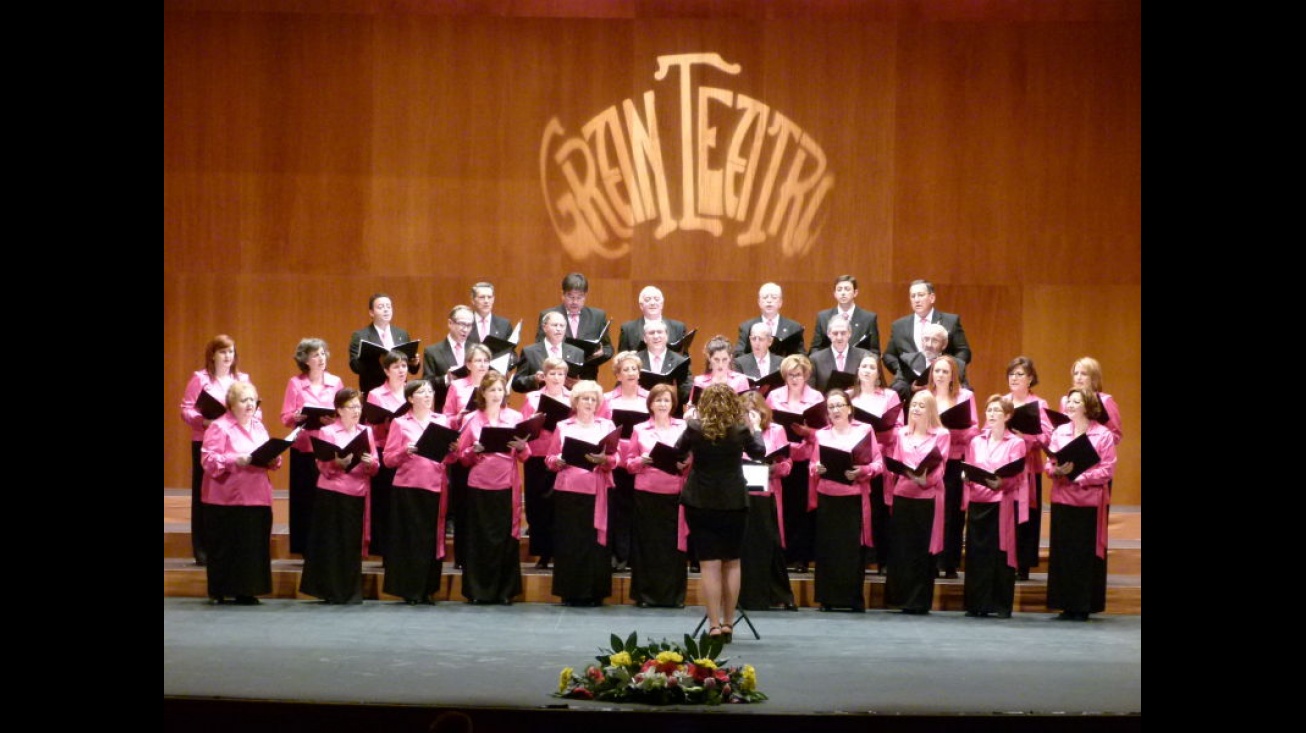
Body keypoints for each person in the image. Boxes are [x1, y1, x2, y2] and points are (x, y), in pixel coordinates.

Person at [675, 383, 767, 642]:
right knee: (732, 562)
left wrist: (688, 422)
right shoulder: (739, 430)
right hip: (733, 502)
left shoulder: (695, 428)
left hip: (700, 502)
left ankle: (713, 625)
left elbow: (677, 451)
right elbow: (759, 452)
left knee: (709, 564)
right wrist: (756, 427)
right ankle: (729, 623)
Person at [199, 381, 279, 605]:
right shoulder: (219, 427)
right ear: (231, 404)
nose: (249, 404)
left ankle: (247, 590)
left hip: (257, 495)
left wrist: (274, 458)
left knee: (252, 545)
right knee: (226, 545)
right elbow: (208, 460)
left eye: (252, 400)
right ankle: (221, 590)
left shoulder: (258, 426)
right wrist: (236, 459)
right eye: (244, 400)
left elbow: (269, 454)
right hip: (226, 497)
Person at [454, 371, 530, 604]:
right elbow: (461, 456)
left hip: (506, 485)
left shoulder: (515, 418)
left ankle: (504, 591)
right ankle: (478, 591)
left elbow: (526, 456)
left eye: (500, 389)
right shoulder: (473, 420)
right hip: (479, 486)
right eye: (492, 390)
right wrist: (473, 451)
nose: (497, 394)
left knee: (505, 539)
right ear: (483, 394)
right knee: (480, 539)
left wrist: (521, 446)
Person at [299, 388, 380, 605]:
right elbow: (322, 464)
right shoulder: (328, 432)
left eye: (358, 406)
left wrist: (369, 463)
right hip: (332, 493)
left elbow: (375, 465)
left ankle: (350, 591)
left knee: (350, 544)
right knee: (332, 543)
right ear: (339, 410)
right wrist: (337, 463)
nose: (356, 411)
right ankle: (332, 590)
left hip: (357, 492)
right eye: (351, 407)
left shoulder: (366, 432)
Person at [382, 380, 458, 605]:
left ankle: (427, 589)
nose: (427, 396)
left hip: (436, 486)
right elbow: (388, 459)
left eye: (430, 392)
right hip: (408, 488)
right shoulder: (400, 423)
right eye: (421, 392)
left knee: (430, 540)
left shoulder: (442, 421)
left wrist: (453, 450)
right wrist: (405, 451)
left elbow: (450, 458)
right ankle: (410, 589)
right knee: (410, 540)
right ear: (410, 398)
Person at [1045, 387, 1118, 621]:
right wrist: (1056, 469)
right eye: (1069, 401)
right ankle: (1064, 603)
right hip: (1063, 498)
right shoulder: (1060, 432)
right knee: (1064, 553)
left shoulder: (1103, 435)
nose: (1070, 405)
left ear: (1087, 405)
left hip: (1088, 501)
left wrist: (1080, 477)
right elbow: (1050, 463)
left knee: (1083, 555)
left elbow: (1107, 469)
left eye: (1076, 401)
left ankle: (1082, 605)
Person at [180, 334, 252, 566]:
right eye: (223, 351)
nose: (228, 356)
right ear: (213, 354)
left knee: (230, 494)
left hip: (235, 443)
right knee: (203, 494)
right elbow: (186, 409)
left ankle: (230, 546)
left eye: (231, 351)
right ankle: (203, 549)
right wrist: (204, 422)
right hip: (206, 441)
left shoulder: (242, 378)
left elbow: (254, 408)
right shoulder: (200, 379)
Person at [544, 380, 619, 606]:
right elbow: (549, 458)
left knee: (594, 544)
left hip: (596, 491)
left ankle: (594, 592)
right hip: (569, 491)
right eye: (584, 398)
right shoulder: (563, 426)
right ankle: (570, 591)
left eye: (593, 399)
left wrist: (604, 459)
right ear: (575, 402)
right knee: (570, 542)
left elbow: (617, 458)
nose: (589, 402)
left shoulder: (606, 426)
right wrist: (558, 460)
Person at [808, 389, 883, 612]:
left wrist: (861, 470)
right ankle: (827, 599)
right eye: (831, 407)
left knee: (851, 551)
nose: (836, 410)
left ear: (849, 408)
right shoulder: (821, 434)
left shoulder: (864, 430)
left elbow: (878, 464)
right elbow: (812, 465)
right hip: (828, 498)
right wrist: (817, 468)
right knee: (828, 549)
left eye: (840, 405)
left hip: (852, 498)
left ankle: (852, 599)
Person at [621, 383, 690, 608]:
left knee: (673, 546)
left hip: (674, 492)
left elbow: (691, 459)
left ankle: (674, 596)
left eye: (667, 400)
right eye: (658, 400)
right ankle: (645, 595)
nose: (662, 404)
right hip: (647, 492)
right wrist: (641, 461)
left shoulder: (683, 427)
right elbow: (628, 463)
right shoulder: (640, 429)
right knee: (647, 545)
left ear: (673, 404)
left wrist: (685, 463)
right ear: (650, 403)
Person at [960, 395, 1028, 618]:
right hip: (978, 502)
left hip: (1001, 503)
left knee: (999, 554)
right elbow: (971, 465)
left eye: (997, 410)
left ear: (1007, 416)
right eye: (988, 410)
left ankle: (999, 604)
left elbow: (1017, 476)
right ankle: (976, 603)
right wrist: (966, 475)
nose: (991, 414)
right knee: (977, 555)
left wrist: (1002, 482)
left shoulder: (1016, 443)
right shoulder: (976, 441)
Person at [885, 390, 951, 615]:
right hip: (903, 493)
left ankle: (918, 600)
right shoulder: (902, 434)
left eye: (921, 405)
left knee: (921, 550)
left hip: (927, 495)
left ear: (931, 409)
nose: (915, 409)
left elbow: (940, 465)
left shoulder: (941, 434)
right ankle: (901, 598)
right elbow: (896, 462)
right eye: (913, 405)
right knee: (902, 547)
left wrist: (925, 479)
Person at [279, 337, 343, 557]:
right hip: (304, 447)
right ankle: (304, 545)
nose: (321, 358)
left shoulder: (336, 382)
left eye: (323, 353)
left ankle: (325, 543)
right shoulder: (295, 383)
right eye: (316, 354)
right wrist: (297, 416)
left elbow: (341, 415)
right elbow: (285, 418)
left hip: (326, 446)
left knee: (326, 498)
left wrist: (332, 420)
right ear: (305, 360)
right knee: (304, 498)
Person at [736, 391, 796, 611]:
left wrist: (774, 468)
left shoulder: (776, 430)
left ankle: (775, 595)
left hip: (767, 495)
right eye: (746, 414)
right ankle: (744, 596)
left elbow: (787, 464)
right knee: (743, 546)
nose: (752, 418)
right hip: (741, 496)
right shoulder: (737, 432)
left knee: (768, 544)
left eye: (756, 413)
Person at [766, 354, 824, 573]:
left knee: (802, 509)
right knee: (783, 507)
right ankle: (783, 554)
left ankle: (801, 557)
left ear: (806, 375)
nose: (794, 379)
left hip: (805, 459)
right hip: (782, 457)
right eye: (790, 375)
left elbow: (825, 433)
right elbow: (767, 425)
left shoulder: (816, 397)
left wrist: (807, 432)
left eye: (798, 375)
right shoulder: (774, 396)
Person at [926, 355, 978, 579]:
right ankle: (934, 560)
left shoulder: (965, 396)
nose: (940, 375)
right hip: (933, 460)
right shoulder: (926, 397)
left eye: (945, 371)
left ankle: (950, 562)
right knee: (935, 511)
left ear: (952, 376)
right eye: (937, 371)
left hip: (956, 459)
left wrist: (952, 433)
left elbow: (974, 429)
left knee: (954, 511)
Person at [441, 342, 493, 569]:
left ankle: (482, 555)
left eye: (485, 360)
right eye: (477, 361)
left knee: (483, 506)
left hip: (488, 451)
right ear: (468, 364)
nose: (482, 365)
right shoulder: (457, 386)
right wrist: (459, 416)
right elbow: (445, 418)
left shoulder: (495, 385)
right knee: (463, 503)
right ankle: (462, 556)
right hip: (464, 448)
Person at [849, 353, 901, 575]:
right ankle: (861, 557)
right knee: (858, 509)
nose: (867, 370)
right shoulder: (849, 396)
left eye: (872, 367)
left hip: (881, 457)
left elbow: (899, 428)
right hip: (856, 458)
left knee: (881, 508)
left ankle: (883, 559)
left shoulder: (889, 396)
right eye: (864, 366)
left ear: (879, 374)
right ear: (858, 371)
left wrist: (882, 433)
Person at [518, 356, 573, 569]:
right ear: (544, 376)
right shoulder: (532, 398)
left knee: (559, 505)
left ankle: (559, 551)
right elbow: (524, 429)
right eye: (552, 374)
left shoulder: (572, 398)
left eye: (561, 374)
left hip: (561, 456)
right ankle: (542, 553)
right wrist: (536, 419)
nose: (557, 378)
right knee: (537, 505)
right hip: (537, 454)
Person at [1003, 356, 1053, 581]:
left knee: (1027, 515)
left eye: (1020, 374)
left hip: (1029, 468)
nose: (1014, 378)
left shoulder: (1039, 404)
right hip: (1005, 466)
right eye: (1012, 374)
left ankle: (1023, 563)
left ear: (1030, 379)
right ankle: (1006, 559)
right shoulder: (1003, 402)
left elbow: (1049, 436)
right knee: (1007, 514)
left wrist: (1026, 438)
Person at [598, 351, 649, 572]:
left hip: (641, 462)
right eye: (626, 369)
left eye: (634, 369)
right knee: (616, 509)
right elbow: (601, 427)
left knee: (638, 510)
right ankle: (617, 555)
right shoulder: (608, 399)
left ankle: (633, 557)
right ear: (618, 375)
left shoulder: (649, 398)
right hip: (616, 462)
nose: (631, 373)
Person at [882, 279, 972, 403]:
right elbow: (889, 355)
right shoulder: (899, 326)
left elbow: (964, 351)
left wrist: (949, 369)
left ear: (932, 297)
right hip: (911, 392)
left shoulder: (950, 321)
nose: (916, 299)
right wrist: (904, 370)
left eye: (921, 295)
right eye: (913, 296)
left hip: (945, 389)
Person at [364, 349, 412, 561]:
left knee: (403, 503)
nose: (401, 370)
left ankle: (402, 547)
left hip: (408, 454)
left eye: (404, 366)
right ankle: (385, 550)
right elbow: (368, 426)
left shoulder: (413, 391)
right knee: (385, 501)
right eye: (396, 367)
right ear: (386, 370)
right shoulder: (376, 394)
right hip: (385, 449)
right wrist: (385, 424)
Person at [534, 272, 613, 381]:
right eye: (571, 297)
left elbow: (608, 349)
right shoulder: (548, 315)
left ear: (585, 296)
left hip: (586, 378)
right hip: (556, 378)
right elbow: (539, 346)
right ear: (562, 294)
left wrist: (601, 353)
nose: (575, 302)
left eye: (579, 297)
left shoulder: (598, 316)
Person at [348, 292, 420, 394]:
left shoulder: (402, 334)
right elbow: (355, 366)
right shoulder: (360, 336)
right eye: (381, 307)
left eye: (388, 307)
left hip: (400, 392)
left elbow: (413, 370)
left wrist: (414, 363)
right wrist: (378, 361)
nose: (386, 309)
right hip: (373, 390)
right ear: (371, 312)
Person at [513, 311, 586, 394]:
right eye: (555, 325)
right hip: (539, 401)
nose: (558, 329)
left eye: (562, 326)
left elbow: (586, 384)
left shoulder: (577, 353)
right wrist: (535, 379)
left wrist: (577, 384)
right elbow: (516, 384)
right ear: (544, 327)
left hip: (568, 401)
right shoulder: (529, 352)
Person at [810, 274, 880, 357]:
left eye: (847, 289)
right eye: (839, 290)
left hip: (858, 366)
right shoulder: (823, 317)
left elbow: (874, 351)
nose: (843, 293)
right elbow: (815, 348)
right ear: (835, 294)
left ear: (855, 293)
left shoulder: (868, 318)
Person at [422, 305, 477, 408]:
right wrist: (447, 379)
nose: (465, 329)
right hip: (445, 410)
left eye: (469, 325)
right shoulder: (432, 351)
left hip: (473, 410)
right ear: (450, 323)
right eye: (461, 324)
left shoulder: (476, 350)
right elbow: (426, 384)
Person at [1064, 356, 1124, 446]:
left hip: (1098, 452)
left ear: (1094, 378)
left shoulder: (1105, 401)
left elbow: (1116, 436)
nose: (1078, 377)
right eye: (1076, 373)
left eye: (1084, 374)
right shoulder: (1066, 400)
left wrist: (1096, 436)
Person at [734, 282, 804, 358]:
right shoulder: (747, 327)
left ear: (780, 302)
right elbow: (738, 354)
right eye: (765, 297)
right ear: (759, 302)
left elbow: (801, 356)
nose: (769, 301)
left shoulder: (794, 327)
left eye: (774, 297)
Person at [808, 313, 872, 393]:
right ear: (829, 334)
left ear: (849, 333)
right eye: (835, 333)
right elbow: (811, 392)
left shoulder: (864, 356)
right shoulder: (815, 359)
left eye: (843, 333)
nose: (839, 337)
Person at [637, 320, 692, 411]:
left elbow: (687, 392)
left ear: (666, 336)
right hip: (642, 411)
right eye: (651, 333)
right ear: (645, 338)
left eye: (660, 332)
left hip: (672, 414)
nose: (656, 336)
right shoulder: (634, 360)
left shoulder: (680, 361)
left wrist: (675, 391)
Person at [617, 285, 688, 353]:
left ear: (662, 304)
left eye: (656, 299)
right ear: (641, 305)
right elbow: (621, 359)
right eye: (647, 300)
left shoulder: (678, 328)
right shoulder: (628, 329)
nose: (653, 303)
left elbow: (685, 359)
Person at [690, 335, 752, 406]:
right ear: (709, 358)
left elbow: (746, 408)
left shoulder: (741, 380)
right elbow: (692, 408)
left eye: (724, 359)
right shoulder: (699, 381)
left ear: (730, 358)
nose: (720, 364)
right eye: (716, 359)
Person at [467, 281, 515, 347]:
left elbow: (511, 352)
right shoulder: (465, 323)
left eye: (489, 297)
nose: (486, 301)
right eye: (482, 297)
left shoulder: (504, 325)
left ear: (493, 299)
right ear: (473, 300)